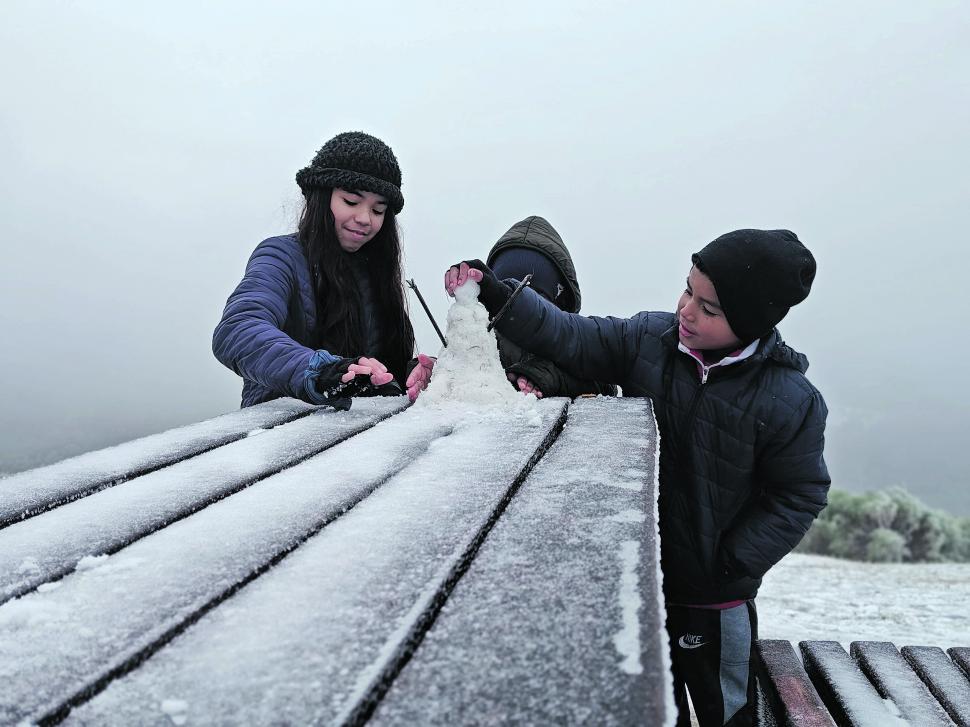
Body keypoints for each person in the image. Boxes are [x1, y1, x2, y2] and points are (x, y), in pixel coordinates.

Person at [445, 229, 830, 727]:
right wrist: (500, 294)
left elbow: (800, 495)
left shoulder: (790, 400)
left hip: (716, 599)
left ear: (753, 322)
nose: (687, 310)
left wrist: (732, 562)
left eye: (709, 309)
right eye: (688, 289)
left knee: (726, 711)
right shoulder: (649, 339)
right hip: (637, 584)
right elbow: (570, 334)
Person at [213, 131, 427, 410]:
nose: (364, 219)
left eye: (378, 210)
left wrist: (416, 374)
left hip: (365, 438)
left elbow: (380, 367)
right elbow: (237, 329)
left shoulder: (378, 273)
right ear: (321, 197)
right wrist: (322, 371)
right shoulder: (280, 255)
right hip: (282, 435)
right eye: (351, 201)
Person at [486, 215, 616, 399]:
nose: (519, 308)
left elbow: (605, 383)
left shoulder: (575, 346)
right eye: (508, 291)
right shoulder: (481, 339)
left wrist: (549, 376)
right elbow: (458, 368)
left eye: (533, 297)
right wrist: (437, 372)